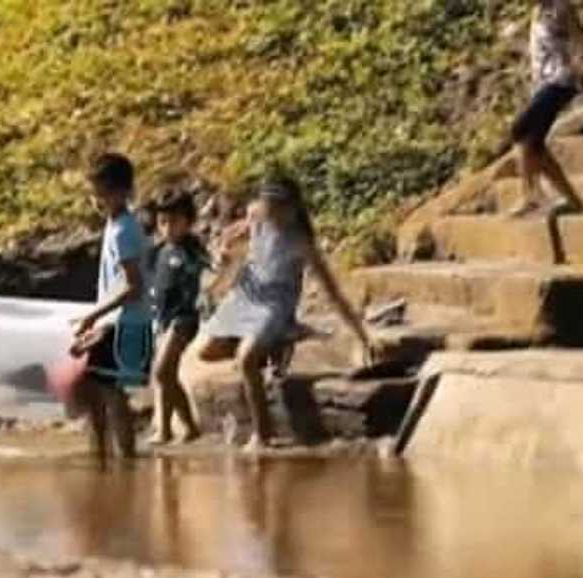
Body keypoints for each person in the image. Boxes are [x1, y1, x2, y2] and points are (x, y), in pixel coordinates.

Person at [196, 175, 374, 451]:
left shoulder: (300, 241)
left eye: (277, 211)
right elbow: (237, 233)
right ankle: (279, 341)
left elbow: (333, 292)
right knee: (207, 352)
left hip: (276, 301)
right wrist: (225, 249)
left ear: (291, 209)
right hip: (248, 292)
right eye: (268, 210)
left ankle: (262, 435)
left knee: (245, 360)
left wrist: (360, 334)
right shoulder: (257, 214)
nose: (272, 216)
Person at [70, 153, 153, 461]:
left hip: (126, 321)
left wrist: (93, 316)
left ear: (121, 192)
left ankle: (124, 459)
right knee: (94, 389)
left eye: (102, 193)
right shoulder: (115, 224)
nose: (97, 200)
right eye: (95, 193)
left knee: (111, 393)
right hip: (116, 321)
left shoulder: (124, 231)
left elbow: (134, 286)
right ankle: (102, 455)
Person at [508, 0, 583, 219]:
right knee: (534, 144)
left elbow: (581, 40)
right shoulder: (537, 11)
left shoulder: (561, 7)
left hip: (562, 80)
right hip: (543, 83)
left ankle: (531, 195)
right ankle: (572, 201)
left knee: (520, 128)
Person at [146, 189, 205, 446]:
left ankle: (168, 430)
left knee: (161, 372)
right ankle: (186, 427)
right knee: (166, 375)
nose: (168, 228)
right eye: (162, 222)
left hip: (185, 318)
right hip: (163, 319)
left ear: (188, 221)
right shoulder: (159, 250)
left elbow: (205, 271)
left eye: (174, 221)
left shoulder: (191, 249)